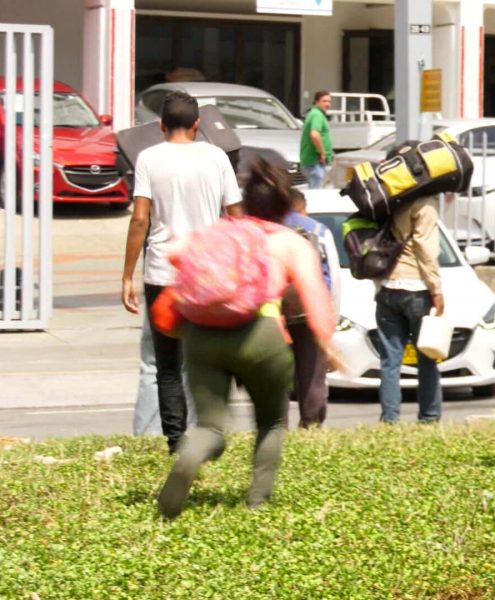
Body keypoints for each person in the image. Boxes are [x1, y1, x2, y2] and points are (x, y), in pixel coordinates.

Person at [156, 159, 340, 519]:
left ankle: (192, 456)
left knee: (209, 425)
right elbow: (315, 297)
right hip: (260, 335)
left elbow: (174, 253)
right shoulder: (289, 241)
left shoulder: (220, 231)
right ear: (286, 206)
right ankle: (257, 502)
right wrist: (327, 342)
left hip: (203, 336)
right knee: (270, 422)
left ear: (245, 202)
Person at [121, 90, 243, 453]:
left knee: (168, 365)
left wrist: (127, 275)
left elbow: (140, 219)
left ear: (161, 125)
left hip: (163, 274)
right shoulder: (216, 157)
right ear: (197, 124)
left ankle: (176, 441)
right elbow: (235, 217)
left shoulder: (149, 158)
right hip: (207, 276)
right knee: (207, 358)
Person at [375, 142, 445, 424]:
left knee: (390, 361)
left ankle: (390, 419)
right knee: (427, 357)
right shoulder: (424, 204)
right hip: (417, 288)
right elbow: (426, 249)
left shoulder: (389, 199)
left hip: (388, 287)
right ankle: (428, 417)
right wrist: (436, 289)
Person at [283, 188, 341, 428]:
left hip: (277, 311)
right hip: (311, 309)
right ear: (303, 207)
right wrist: (332, 315)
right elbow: (334, 276)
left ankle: (277, 427)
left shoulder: (269, 229)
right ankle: (311, 422)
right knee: (313, 373)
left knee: (277, 372)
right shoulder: (318, 230)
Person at [300, 90, 333, 189]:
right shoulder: (317, 114)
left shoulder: (316, 114)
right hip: (315, 162)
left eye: (329, 101)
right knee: (316, 194)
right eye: (324, 101)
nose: (327, 104)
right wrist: (322, 153)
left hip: (315, 162)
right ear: (316, 102)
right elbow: (314, 135)